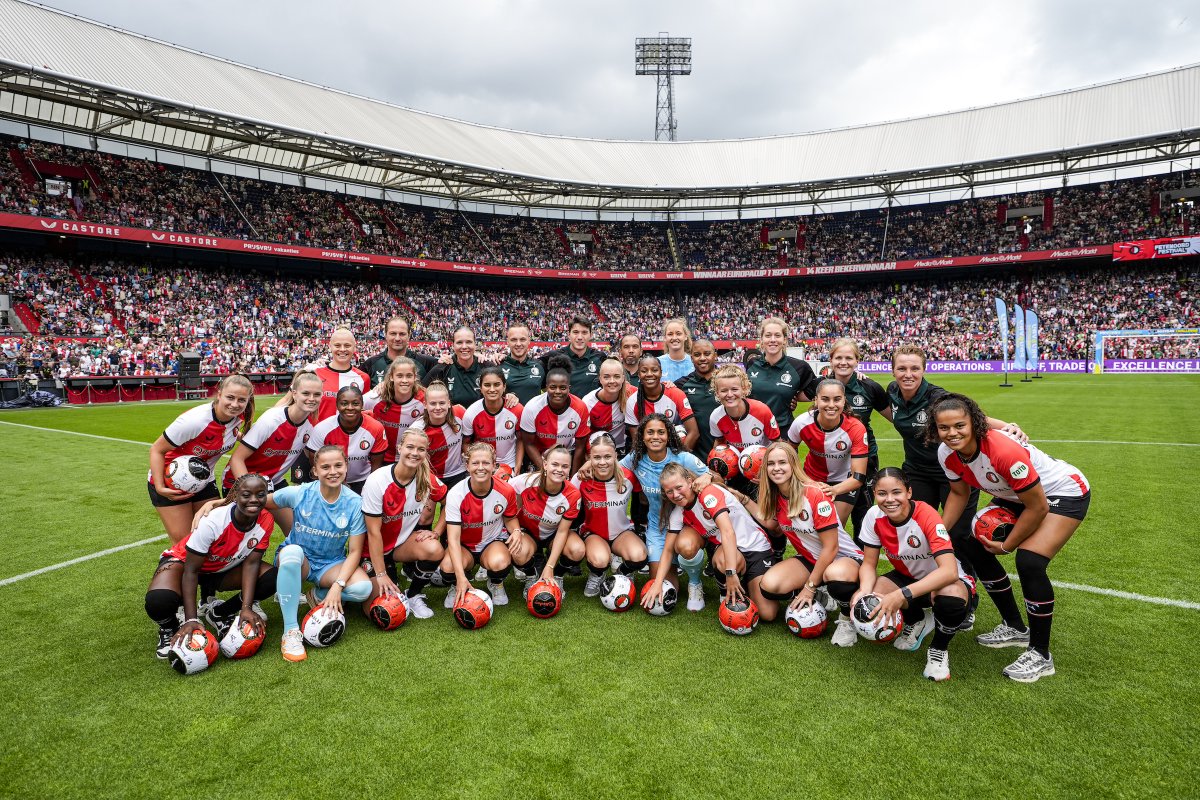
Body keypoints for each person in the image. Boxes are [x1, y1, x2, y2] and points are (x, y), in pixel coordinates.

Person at [930, 393, 1090, 683]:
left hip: (1061, 492)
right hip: (1017, 495)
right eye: (944, 428)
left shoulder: (1002, 451)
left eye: (960, 425)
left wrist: (1007, 545)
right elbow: (958, 493)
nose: (952, 433)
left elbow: (1037, 507)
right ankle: (1015, 627)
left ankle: (1040, 654)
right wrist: (938, 534)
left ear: (975, 423)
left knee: (1029, 562)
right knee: (971, 544)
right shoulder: (946, 453)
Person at [884, 344, 1025, 586]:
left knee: (959, 535)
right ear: (893, 371)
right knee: (914, 527)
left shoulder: (937, 398)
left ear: (924, 369)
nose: (908, 374)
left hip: (955, 473)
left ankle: (967, 588)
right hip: (917, 472)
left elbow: (974, 419)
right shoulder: (892, 391)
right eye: (902, 369)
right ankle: (921, 582)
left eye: (915, 368)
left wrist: (1008, 427)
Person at [855, 467, 976, 682]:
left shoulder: (926, 514)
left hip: (946, 580)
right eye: (882, 493)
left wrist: (901, 595)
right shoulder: (873, 516)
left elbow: (949, 572)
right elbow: (869, 563)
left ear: (909, 492)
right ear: (874, 494)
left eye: (896, 492)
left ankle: (939, 649)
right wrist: (864, 592)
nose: (889, 499)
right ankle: (917, 620)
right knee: (875, 593)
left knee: (951, 599)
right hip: (909, 577)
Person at [144, 473, 277, 659]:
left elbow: (252, 564)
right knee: (159, 600)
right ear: (235, 495)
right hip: (184, 564)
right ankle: (169, 627)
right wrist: (191, 619)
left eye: (260, 494)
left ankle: (219, 613)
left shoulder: (266, 520)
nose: (254, 500)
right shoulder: (214, 520)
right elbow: (191, 571)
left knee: (272, 578)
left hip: (219, 567)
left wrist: (246, 607)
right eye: (247, 495)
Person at [756, 442, 863, 647]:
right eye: (771, 464)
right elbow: (771, 524)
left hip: (843, 559)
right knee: (770, 586)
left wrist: (809, 587)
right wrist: (741, 498)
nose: (776, 468)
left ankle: (846, 619)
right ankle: (823, 593)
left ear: (793, 464)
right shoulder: (775, 495)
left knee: (836, 576)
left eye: (782, 462)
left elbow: (831, 547)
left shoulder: (814, 493)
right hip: (811, 559)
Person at [647, 464, 776, 622]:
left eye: (679, 487)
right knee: (723, 560)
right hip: (730, 552)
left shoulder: (708, 494)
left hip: (756, 548)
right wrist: (657, 583)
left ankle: (742, 583)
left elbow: (728, 532)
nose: (675, 495)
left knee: (768, 614)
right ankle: (726, 595)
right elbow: (668, 551)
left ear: (690, 481)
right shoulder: (678, 513)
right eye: (669, 491)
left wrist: (731, 573)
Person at [148, 373, 254, 544]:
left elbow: (227, 433)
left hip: (204, 481)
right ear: (219, 394)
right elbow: (156, 450)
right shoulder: (194, 421)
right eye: (230, 397)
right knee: (184, 543)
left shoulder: (238, 418)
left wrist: (245, 439)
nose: (235, 404)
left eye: (241, 400)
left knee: (214, 534)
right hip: (170, 480)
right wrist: (160, 487)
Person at [620, 414, 709, 610]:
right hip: (658, 527)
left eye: (661, 432)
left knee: (687, 547)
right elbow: (612, 468)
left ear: (668, 435)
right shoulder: (636, 459)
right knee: (666, 587)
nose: (655, 437)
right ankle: (675, 565)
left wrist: (708, 477)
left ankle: (695, 581)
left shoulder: (683, 458)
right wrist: (588, 464)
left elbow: (714, 477)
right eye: (650, 432)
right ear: (642, 436)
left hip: (687, 526)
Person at [360, 428, 449, 620]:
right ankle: (382, 572)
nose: (415, 453)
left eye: (421, 449)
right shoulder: (377, 481)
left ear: (426, 452)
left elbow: (450, 502)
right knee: (379, 612)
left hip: (399, 545)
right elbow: (373, 533)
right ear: (399, 448)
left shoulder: (427, 478)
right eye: (410, 447)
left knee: (434, 549)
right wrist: (381, 574)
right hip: (370, 550)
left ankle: (413, 594)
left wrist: (437, 531)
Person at [444, 443, 530, 608]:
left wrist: (516, 530)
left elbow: (510, 518)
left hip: (491, 542)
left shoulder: (506, 490)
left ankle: (496, 583)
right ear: (467, 466)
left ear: (494, 465)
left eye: (486, 463)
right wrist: (460, 577)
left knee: (500, 562)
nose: (481, 467)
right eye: (475, 463)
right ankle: (457, 585)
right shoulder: (456, 494)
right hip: (464, 546)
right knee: (448, 567)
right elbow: (453, 539)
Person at [827, 338, 890, 535]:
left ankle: (863, 551)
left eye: (849, 358)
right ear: (831, 360)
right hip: (831, 458)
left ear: (857, 361)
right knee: (828, 514)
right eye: (838, 358)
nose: (843, 362)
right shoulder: (820, 384)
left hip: (865, 457)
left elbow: (894, 417)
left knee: (863, 515)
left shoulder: (870, 387)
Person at [571, 435, 647, 597]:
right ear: (589, 458)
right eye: (597, 457)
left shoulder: (628, 477)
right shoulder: (581, 478)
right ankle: (597, 574)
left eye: (607, 456)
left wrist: (641, 524)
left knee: (639, 556)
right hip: (593, 533)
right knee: (599, 561)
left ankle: (623, 573)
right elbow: (566, 501)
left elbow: (641, 501)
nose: (602, 462)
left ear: (615, 456)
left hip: (622, 532)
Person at [786, 378, 869, 526]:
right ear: (816, 400)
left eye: (837, 399)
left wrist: (833, 490)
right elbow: (788, 454)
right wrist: (802, 479)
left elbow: (858, 477)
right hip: (811, 479)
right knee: (808, 526)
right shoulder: (801, 422)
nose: (831, 405)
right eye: (825, 399)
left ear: (844, 401)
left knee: (834, 526)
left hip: (844, 482)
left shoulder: (856, 428)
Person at [223, 371, 321, 495]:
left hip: (274, 482)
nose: (311, 399)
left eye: (317, 394)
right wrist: (251, 490)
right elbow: (237, 459)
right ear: (294, 394)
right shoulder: (272, 420)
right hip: (239, 481)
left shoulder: (312, 426)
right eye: (306, 393)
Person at [506, 446, 582, 596]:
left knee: (577, 550)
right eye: (555, 464)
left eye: (565, 466)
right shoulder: (525, 481)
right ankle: (531, 576)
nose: (559, 470)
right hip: (529, 533)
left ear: (569, 469)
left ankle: (557, 575)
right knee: (518, 552)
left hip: (554, 534)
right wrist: (515, 529)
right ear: (545, 465)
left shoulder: (573, 494)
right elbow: (502, 491)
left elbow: (562, 531)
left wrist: (550, 566)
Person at [306, 385, 387, 495]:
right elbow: (315, 462)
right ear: (337, 405)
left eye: (355, 403)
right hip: (331, 481)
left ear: (362, 405)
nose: (350, 407)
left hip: (363, 482)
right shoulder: (322, 428)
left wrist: (371, 489)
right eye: (344, 403)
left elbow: (376, 467)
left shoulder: (376, 428)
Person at [745, 317, 817, 433]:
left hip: (783, 431)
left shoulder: (799, 367)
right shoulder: (752, 363)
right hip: (752, 430)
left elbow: (817, 389)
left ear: (784, 339)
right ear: (761, 339)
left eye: (777, 335)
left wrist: (793, 396)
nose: (773, 339)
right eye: (768, 335)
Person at [520, 356, 590, 472]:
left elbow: (580, 447)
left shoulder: (580, 408)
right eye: (553, 387)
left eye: (562, 388)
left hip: (567, 457)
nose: (557, 392)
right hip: (539, 458)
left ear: (569, 388)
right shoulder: (532, 407)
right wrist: (545, 471)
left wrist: (572, 478)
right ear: (546, 387)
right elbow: (529, 444)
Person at [625, 354, 698, 452]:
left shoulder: (676, 394)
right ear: (638, 374)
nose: (649, 374)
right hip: (647, 451)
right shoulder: (632, 402)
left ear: (661, 372)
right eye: (644, 371)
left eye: (654, 370)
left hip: (675, 450)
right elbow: (636, 442)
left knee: (680, 434)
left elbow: (693, 432)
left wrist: (680, 458)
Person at [363, 357, 425, 465]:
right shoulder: (376, 396)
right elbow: (354, 405)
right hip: (382, 457)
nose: (404, 380)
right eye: (399, 376)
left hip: (411, 458)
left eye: (409, 376)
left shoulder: (424, 399)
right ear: (391, 377)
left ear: (415, 377)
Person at [462, 365, 524, 474]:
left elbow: (521, 439)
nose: (492, 389)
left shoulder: (517, 409)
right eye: (487, 385)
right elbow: (466, 443)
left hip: (509, 465)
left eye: (497, 384)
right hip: (483, 467)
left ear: (504, 387)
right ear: (481, 388)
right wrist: (478, 463)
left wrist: (517, 466)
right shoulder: (471, 413)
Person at [708, 363, 780, 451]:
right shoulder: (715, 417)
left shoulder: (762, 411)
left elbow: (777, 443)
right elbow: (719, 442)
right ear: (717, 393)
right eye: (724, 390)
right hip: (734, 459)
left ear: (744, 389)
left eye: (734, 389)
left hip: (763, 457)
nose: (729, 394)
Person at [409, 382, 467, 486]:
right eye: (433, 403)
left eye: (442, 403)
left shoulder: (460, 413)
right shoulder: (416, 430)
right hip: (429, 477)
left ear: (449, 403)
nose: (438, 407)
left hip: (458, 473)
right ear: (425, 405)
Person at [675, 338, 720, 459]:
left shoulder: (727, 381)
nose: (702, 358)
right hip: (695, 455)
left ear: (715, 355)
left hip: (725, 453)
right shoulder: (681, 384)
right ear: (691, 358)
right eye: (697, 355)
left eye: (707, 353)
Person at [360, 315, 436, 386]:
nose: (397, 338)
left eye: (402, 334)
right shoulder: (370, 365)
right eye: (393, 333)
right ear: (385, 335)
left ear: (409, 336)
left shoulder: (426, 363)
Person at [540, 315, 606, 396]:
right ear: (569, 334)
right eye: (575, 332)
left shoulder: (600, 358)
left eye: (584, 332)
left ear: (591, 335)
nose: (580, 337)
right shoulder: (553, 357)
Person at [425, 326, 485, 407]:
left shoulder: (486, 367)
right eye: (459, 342)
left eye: (469, 342)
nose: (464, 346)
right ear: (453, 345)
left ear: (475, 344)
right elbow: (421, 392)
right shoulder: (442, 368)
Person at [582, 358, 633, 454]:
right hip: (596, 450)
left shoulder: (631, 394)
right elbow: (583, 436)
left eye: (617, 376)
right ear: (600, 379)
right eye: (606, 377)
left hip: (621, 448)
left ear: (623, 378)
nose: (612, 381)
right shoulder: (588, 402)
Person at [499, 323, 545, 404]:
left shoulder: (539, 366)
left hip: (532, 413)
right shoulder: (498, 366)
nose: (518, 344)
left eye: (522, 339)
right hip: (508, 412)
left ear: (529, 341)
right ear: (507, 342)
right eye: (513, 340)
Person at [657, 318, 695, 382]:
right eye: (670, 334)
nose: (674, 338)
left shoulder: (694, 362)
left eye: (678, 334)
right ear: (665, 338)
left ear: (685, 336)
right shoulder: (657, 363)